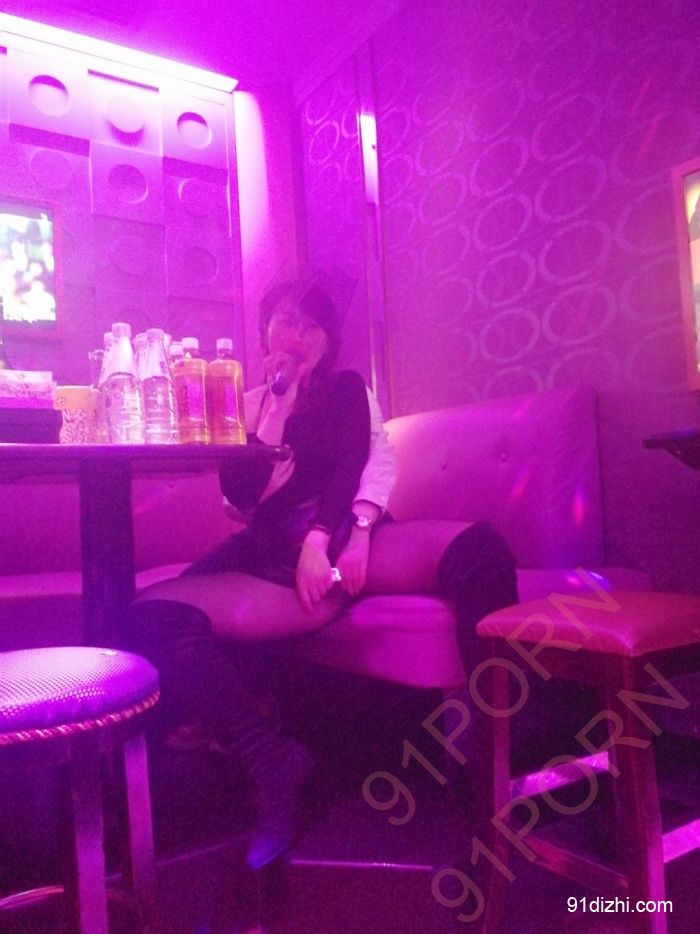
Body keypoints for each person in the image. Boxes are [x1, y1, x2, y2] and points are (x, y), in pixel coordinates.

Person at [126, 278, 518, 872]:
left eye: (310, 326)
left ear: (327, 340)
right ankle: (271, 762)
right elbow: (240, 493)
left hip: (335, 542)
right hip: (271, 558)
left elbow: (353, 466)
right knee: (147, 617)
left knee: (480, 549)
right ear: (264, 332)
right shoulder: (251, 401)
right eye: (284, 321)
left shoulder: (344, 388)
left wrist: (327, 537)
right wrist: (277, 407)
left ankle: (497, 761)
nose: (296, 335)